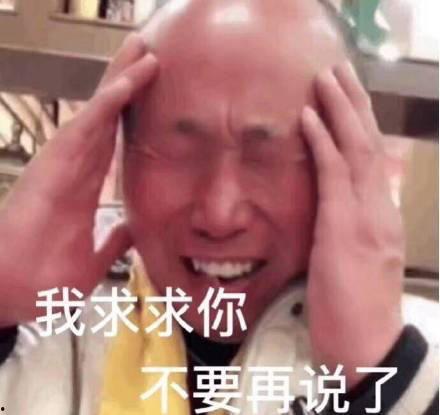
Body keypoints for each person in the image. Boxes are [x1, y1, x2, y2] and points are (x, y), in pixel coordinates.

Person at [0, 0, 437, 414]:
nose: (219, 214)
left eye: (269, 159)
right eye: (177, 154)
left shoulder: (422, 367)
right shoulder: (46, 334)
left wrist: (382, 375)